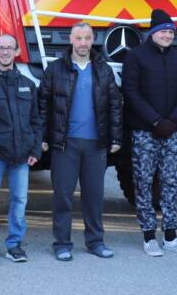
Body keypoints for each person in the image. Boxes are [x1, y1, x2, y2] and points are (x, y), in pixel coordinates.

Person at [39, 22, 123, 261]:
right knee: (63, 196)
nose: (83, 43)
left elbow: (115, 104)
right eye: (79, 38)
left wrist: (116, 137)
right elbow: (43, 106)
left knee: (94, 197)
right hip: (65, 144)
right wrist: (44, 137)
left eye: (87, 38)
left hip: (96, 144)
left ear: (92, 40)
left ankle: (95, 242)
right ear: (71, 40)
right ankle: (62, 243)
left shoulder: (103, 70)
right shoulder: (56, 69)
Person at [122, 9, 177, 256]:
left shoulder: (176, 58)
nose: (167, 35)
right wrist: (154, 121)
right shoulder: (135, 57)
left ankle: (171, 236)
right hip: (145, 132)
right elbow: (130, 92)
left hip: (172, 131)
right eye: (163, 31)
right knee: (143, 182)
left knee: (171, 182)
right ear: (152, 33)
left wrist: (173, 120)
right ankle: (149, 236)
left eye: (171, 32)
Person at [0, 34, 42, 266]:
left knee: (19, 201)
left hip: (21, 155)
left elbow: (35, 120)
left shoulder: (28, 84)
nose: (4, 52)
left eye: (9, 48)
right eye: (0, 48)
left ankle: (14, 245)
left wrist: (35, 150)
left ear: (16, 51)